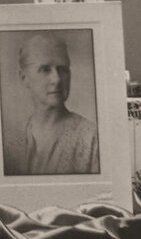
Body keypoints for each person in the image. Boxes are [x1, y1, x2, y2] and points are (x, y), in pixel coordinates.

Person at [6, 32, 99, 175]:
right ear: (24, 78)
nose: (57, 79)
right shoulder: (11, 140)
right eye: (45, 69)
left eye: (63, 70)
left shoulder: (91, 138)